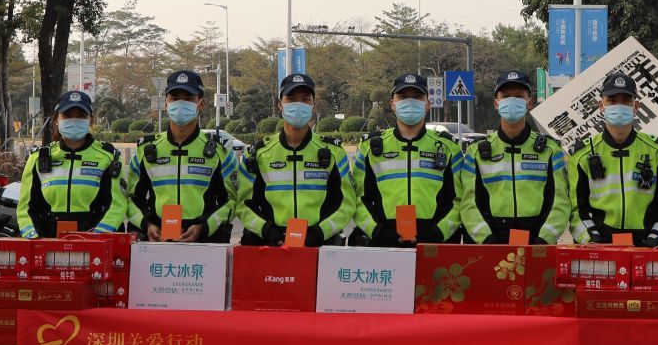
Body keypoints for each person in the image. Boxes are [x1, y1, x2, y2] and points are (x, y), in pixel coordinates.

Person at [126, 69, 249, 242]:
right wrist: (147, 224)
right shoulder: (146, 150)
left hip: (204, 243)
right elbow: (131, 198)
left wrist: (204, 226)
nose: (180, 103)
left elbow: (232, 200)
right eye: (175, 98)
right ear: (166, 103)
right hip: (157, 242)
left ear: (201, 103)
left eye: (188, 98)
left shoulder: (219, 151)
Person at [238, 72, 358, 245]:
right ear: (280, 104)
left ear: (313, 105)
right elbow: (243, 204)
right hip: (270, 244)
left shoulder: (333, 152)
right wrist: (267, 231)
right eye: (291, 99)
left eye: (305, 99)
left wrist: (318, 233)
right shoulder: (258, 153)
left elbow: (346, 204)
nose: (298, 104)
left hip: (319, 243)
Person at [456, 70, 570, 245]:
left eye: (518, 96)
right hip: (489, 244)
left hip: (537, 242)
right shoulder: (476, 152)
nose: (512, 101)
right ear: (496, 103)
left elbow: (560, 202)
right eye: (506, 96)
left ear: (529, 102)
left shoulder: (550, 150)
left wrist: (543, 240)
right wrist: (487, 240)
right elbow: (468, 204)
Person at [569, 71, 658, 247]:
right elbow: (576, 210)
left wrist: (656, 240)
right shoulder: (581, 154)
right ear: (601, 106)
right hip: (598, 247)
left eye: (626, 100)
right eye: (612, 100)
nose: (619, 106)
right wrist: (591, 241)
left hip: (647, 247)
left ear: (636, 106)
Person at [355, 73, 463, 246]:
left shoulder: (449, 148)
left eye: (417, 97)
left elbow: (460, 200)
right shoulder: (369, 147)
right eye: (403, 97)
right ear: (392, 104)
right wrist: (378, 232)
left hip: (434, 244)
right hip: (384, 243)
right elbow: (357, 200)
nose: (410, 102)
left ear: (428, 104)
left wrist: (437, 233)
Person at [15, 89, 127, 238]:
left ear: (90, 120)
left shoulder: (108, 157)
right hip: (47, 240)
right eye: (67, 115)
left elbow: (116, 206)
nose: (74, 120)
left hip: (94, 240)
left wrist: (97, 237)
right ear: (56, 120)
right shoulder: (38, 158)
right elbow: (25, 208)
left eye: (81, 116)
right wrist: (35, 239)